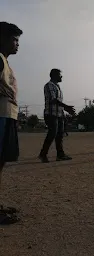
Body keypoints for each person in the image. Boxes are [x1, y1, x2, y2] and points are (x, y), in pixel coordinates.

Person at [0, 22, 23, 224]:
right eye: (14, 39)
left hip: (7, 115)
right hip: (0, 115)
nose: (17, 44)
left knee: (1, 161)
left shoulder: (5, 62)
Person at [38, 69, 75, 163]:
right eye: (60, 75)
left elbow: (58, 102)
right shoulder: (49, 85)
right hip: (51, 114)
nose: (61, 77)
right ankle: (43, 155)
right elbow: (53, 100)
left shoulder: (57, 87)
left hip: (59, 114)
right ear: (54, 76)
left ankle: (60, 155)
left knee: (60, 135)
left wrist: (66, 110)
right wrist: (66, 107)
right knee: (52, 134)